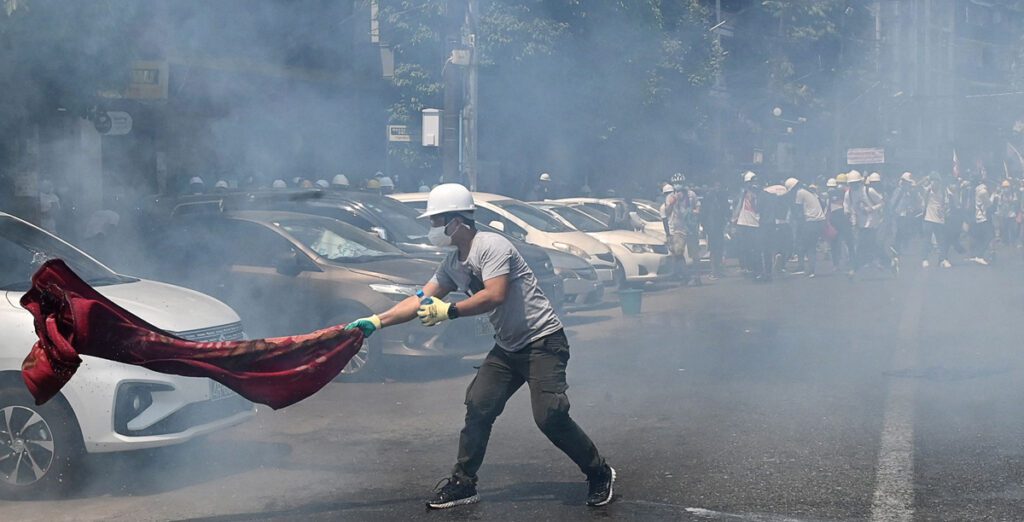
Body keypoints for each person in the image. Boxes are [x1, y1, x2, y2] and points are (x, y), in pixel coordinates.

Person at [345, 184, 614, 509]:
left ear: (456, 221)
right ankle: (463, 483)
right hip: (508, 347)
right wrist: (376, 321)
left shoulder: (491, 246)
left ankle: (599, 472)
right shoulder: (452, 263)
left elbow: (495, 294)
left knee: (550, 417)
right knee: (479, 406)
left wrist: (451, 310)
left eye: (436, 221)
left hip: (543, 341)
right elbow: (419, 299)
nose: (432, 228)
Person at [662, 179, 702, 286]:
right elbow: (667, 212)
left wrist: (692, 212)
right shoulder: (671, 197)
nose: (678, 188)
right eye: (676, 185)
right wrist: (671, 203)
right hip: (679, 228)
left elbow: (698, 207)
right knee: (678, 252)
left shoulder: (691, 195)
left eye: (680, 185)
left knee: (694, 253)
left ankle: (697, 277)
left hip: (691, 227)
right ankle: (686, 276)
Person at [786, 177, 826, 277]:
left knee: (806, 246)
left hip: (810, 222)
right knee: (809, 245)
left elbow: (798, 210)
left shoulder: (800, 193)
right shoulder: (810, 192)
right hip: (820, 221)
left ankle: (807, 269)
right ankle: (808, 269)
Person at [732, 171, 766, 280]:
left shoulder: (760, 193)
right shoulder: (742, 193)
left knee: (756, 249)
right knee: (746, 248)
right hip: (743, 223)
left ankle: (758, 270)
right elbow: (737, 206)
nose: (754, 184)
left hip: (756, 223)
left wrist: (754, 197)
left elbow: (758, 208)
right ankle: (749, 268)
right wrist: (734, 219)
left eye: (756, 181)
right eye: (752, 182)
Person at [700, 180, 731, 280]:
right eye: (716, 186)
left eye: (719, 186)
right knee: (713, 249)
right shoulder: (708, 197)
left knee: (719, 249)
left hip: (719, 226)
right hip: (711, 227)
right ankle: (713, 271)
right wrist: (704, 227)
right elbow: (703, 213)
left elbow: (726, 210)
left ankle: (719, 270)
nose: (718, 188)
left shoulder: (722, 197)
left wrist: (727, 221)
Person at [920, 173, 951, 268]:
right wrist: (925, 178)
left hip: (939, 218)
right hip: (928, 218)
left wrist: (944, 210)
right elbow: (917, 188)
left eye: (936, 181)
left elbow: (947, 204)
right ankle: (925, 259)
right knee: (927, 240)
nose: (934, 183)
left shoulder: (943, 191)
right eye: (932, 181)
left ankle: (942, 259)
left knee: (941, 240)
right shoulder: (928, 190)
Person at [889, 172, 922, 256]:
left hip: (904, 214)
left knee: (903, 231)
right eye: (907, 182)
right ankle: (895, 247)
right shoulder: (898, 191)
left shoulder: (907, 192)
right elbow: (893, 203)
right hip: (898, 214)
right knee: (899, 231)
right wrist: (893, 213)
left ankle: (897, 248)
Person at [969, 178, 994, 265]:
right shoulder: (983, 191)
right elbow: (989, 204)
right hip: (983, 217)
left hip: (977, 216)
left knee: (980, 236)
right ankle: (979, 256)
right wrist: (994, 195)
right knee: (989, 235)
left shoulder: (976, 190)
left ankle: (976, 254)